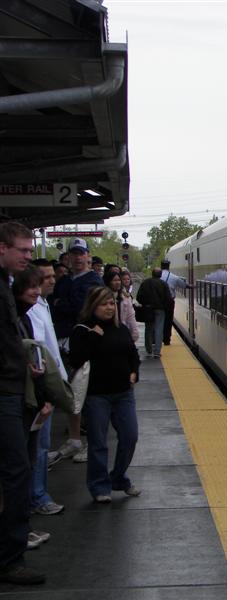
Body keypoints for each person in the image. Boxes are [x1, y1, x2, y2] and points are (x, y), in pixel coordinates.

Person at [0, 221, 46, 585]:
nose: (29, 257)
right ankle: (10, 559)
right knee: (17, 473)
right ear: (2, 248)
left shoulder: (6, 285)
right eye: (24, 251)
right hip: (4, 394)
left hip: (11, 388)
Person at [69, 287, 141, 503]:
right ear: (92, 306)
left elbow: (132, 355)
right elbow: (76, 360)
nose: (109, 308)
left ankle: (118, 477)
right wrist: (92, 338)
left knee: (130, 436)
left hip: (123, 393)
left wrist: (134, 372)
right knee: (98, 442)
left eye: (111, 303)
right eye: (103, 304)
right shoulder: (82, 330)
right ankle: (99, 486)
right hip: (96, 396)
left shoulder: (121, 330)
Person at [11, 266, 54, 549]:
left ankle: (23, 524)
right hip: (21, 399)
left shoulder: (26, 316)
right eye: (32, 287)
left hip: (34, 397)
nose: (37, 292)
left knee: (31, 457)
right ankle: (17, 532)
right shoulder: (17, 318)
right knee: (19, 466)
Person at [50, 238, 103, 464]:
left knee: (87, 393)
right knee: (71, 393)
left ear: (88, 257)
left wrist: (62, 304)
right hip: (63, 342)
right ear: (68, 256)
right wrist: (63, 304)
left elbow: (79, 308)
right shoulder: (64, 281)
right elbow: (53, 301)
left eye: (82, 254)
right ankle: (74, 439)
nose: (78, 258)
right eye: (74, 254)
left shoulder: (93, 281)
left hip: (84, 343)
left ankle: (91, 441)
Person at [28, 259, 67, 515]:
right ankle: (37, 498)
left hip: (49, 384)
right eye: (45, 277)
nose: (52, 280)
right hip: (39, 389)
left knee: (40, 447)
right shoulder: (31, 309)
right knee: (38, 447)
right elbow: (36, 352)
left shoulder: (42, 304)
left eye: (52, 276)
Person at [136, 268, 170, 358]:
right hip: (160, 310)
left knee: (148, 329)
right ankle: (157, 352)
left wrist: (145, 304)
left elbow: (138, 297)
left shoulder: (145, 283)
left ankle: (149, 349)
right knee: (159, 330)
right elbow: (168, 298)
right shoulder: (164, 284)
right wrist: (165, 307)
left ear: (152, 274)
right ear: (160, 275)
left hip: (148, 309)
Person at [103, 270, 139, 342]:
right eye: (114, 280)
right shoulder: (103, 297)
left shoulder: (125, 297)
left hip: (122, 332)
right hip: (107, 333)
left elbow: (130, 316)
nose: (117, 282)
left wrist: (134, 333)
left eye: (119, 280)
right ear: (108, 282)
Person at [160, 260, 188, 346]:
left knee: (158, 320)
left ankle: (156, 338)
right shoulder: (173, 277)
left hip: (158, 302)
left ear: (161, 266)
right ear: (169, 267)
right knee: (168, 321)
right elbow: (184, 285)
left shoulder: (157, 276)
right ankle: (167, 339)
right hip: (169, 302)